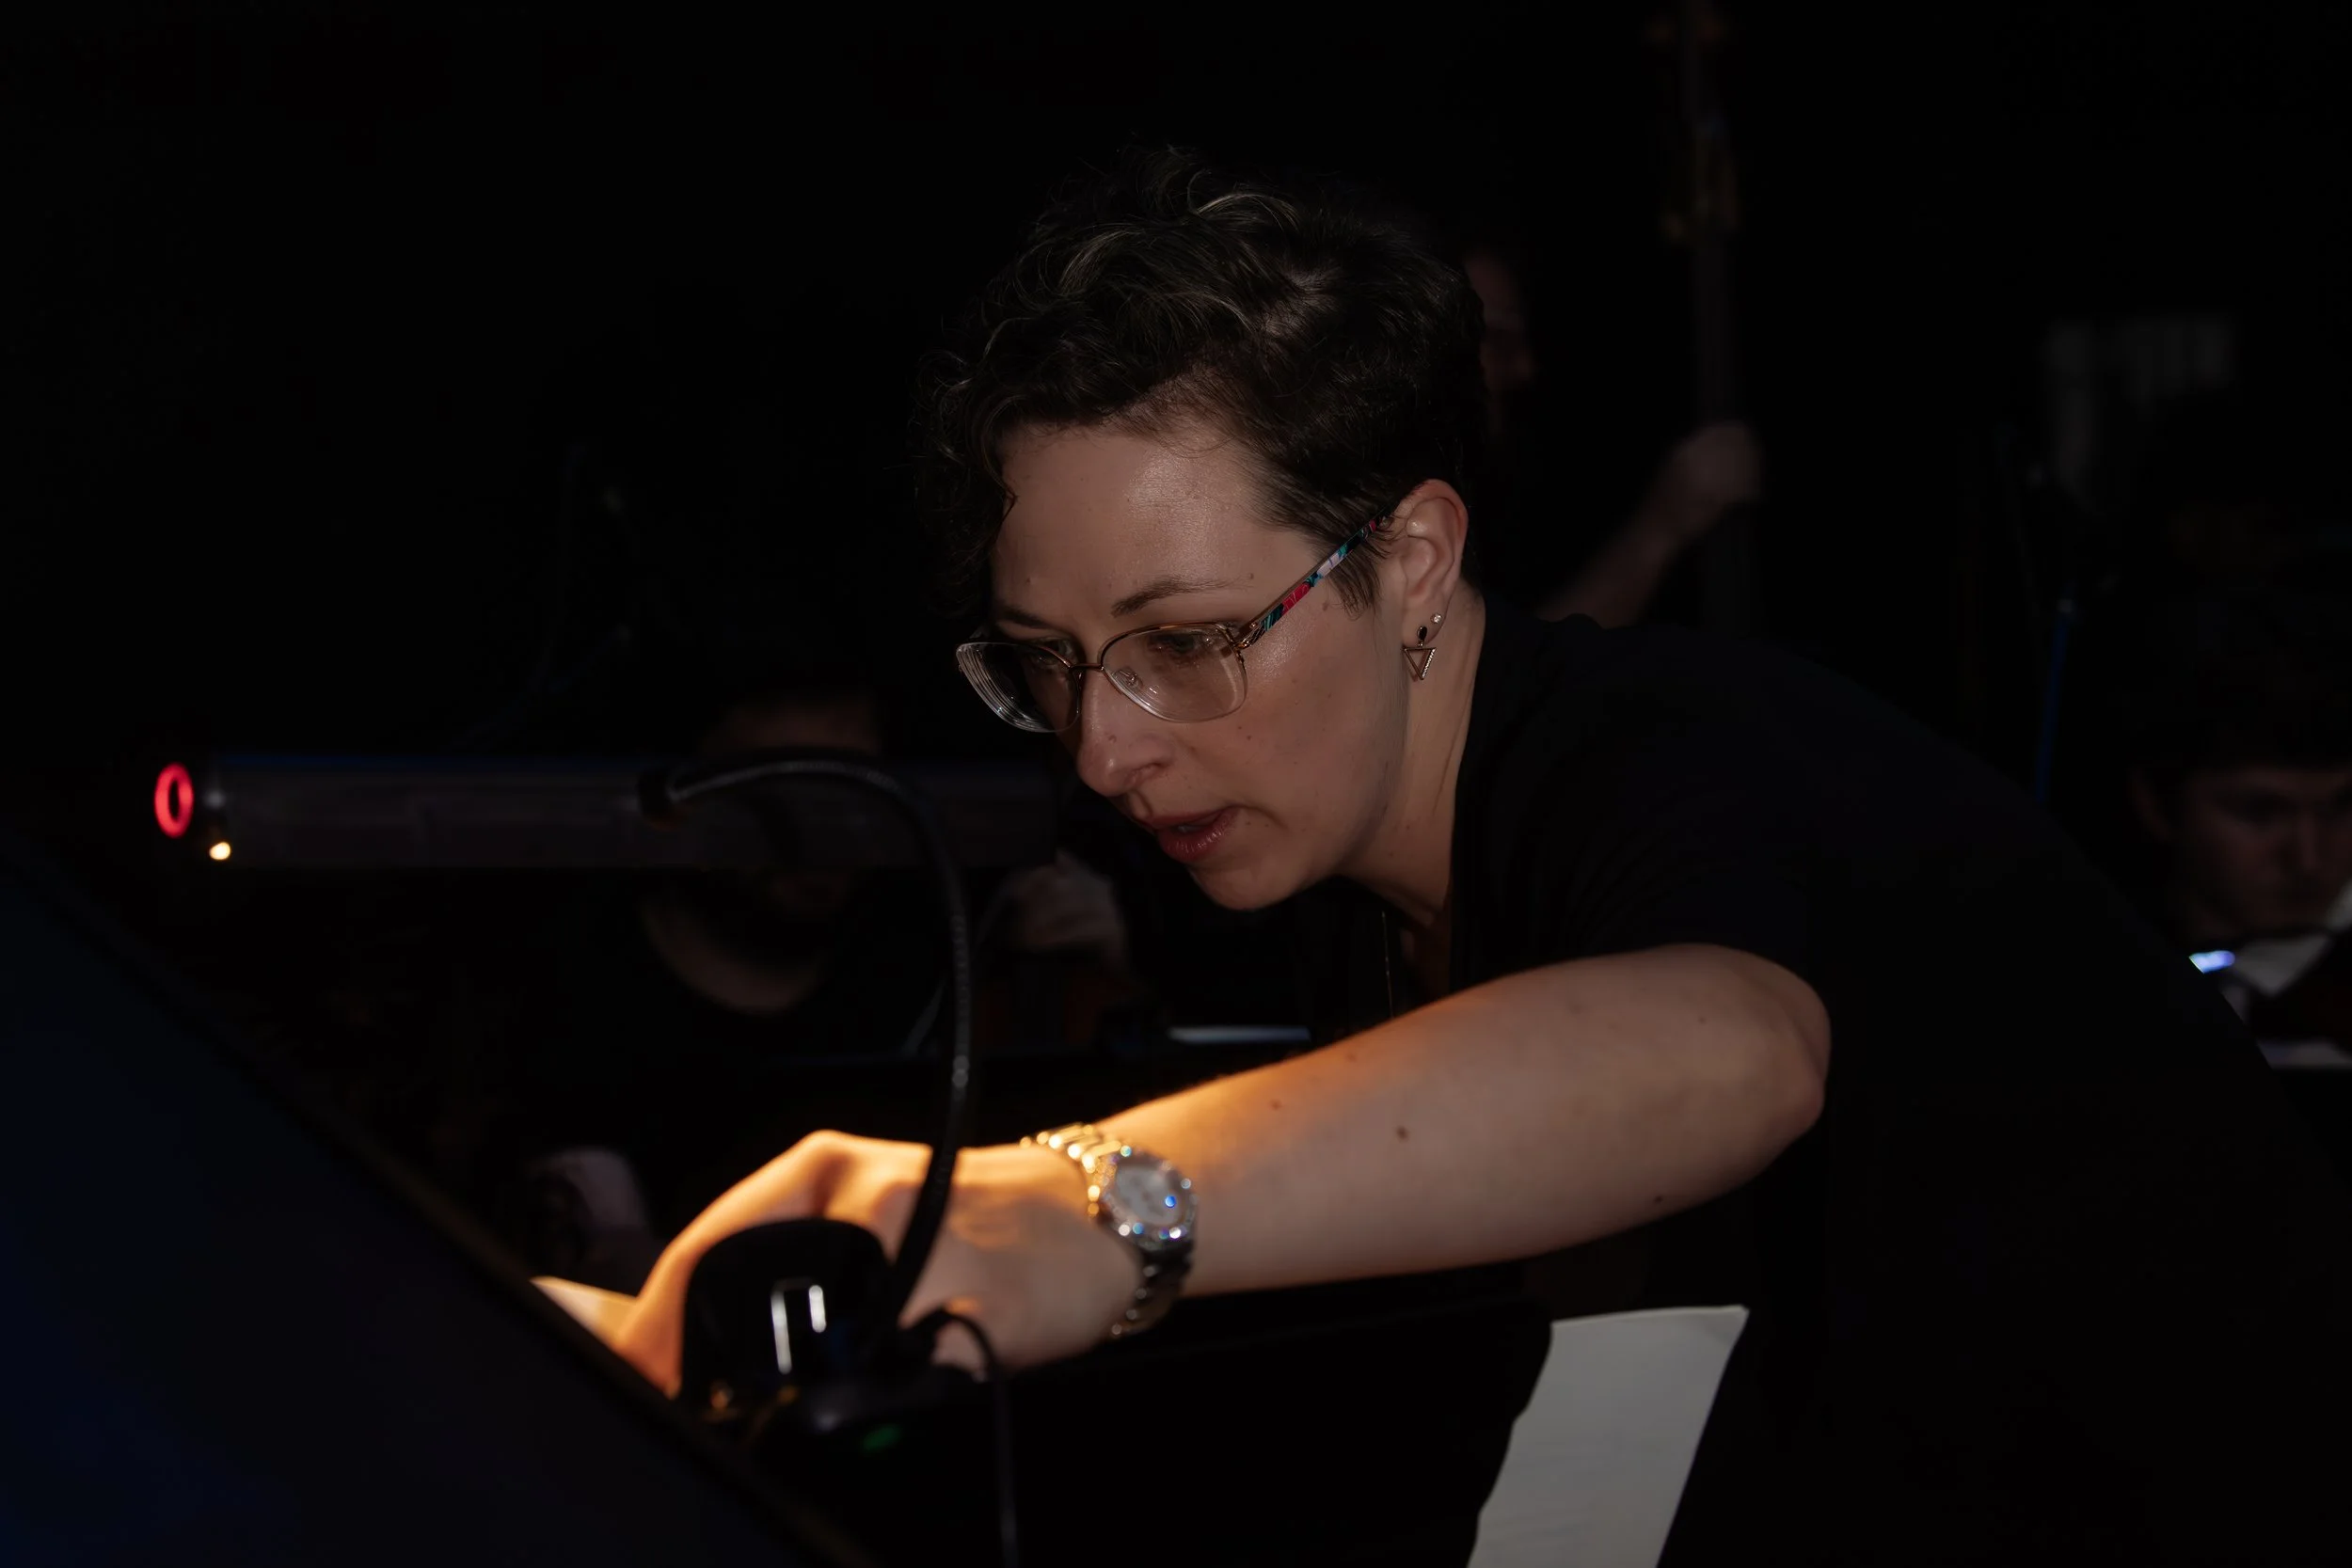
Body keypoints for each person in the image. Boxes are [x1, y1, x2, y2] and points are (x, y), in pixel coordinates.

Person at [608, 150, 2352, 1563]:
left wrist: (1076, 1207)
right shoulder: (1320, 875)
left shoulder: (1671, 752)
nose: (1104, 746)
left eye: (1191, 637)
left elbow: (1723, 1049)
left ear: (1417, 557)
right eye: (1045, 663)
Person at [1456, 234, 1763, 627]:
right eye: (1497, 339)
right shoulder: (1396, 514)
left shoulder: (1505, 491)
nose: (1525, 368)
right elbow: (1496, 680)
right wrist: (1662, 527)